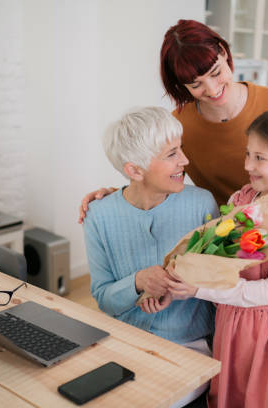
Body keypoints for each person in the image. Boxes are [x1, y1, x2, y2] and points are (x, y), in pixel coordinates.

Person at [78, 19, 268, 252]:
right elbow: (163, 177)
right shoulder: (181, 123)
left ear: (224, 53)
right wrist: (120, 195)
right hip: (224, 240)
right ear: (181, 85)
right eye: (195, 84)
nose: (212, 90)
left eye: (215, 72)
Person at [165, 108, 268, 407]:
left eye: (260, 158)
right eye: (248, 154)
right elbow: (222, 264)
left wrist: (200, 289)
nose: (247, 165)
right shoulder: (240, 201)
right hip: (232, 324)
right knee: (233, 393)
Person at [82, 106, 218, 407]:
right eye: (172, 154)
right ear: (134, 170)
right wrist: (137, 282)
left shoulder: (202, 204)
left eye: (180, 149)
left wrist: (178, 287)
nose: (185, 160)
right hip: (124, 345)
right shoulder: (98, 216)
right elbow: (103, 297)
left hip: (189, 347)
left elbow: (217, 282)